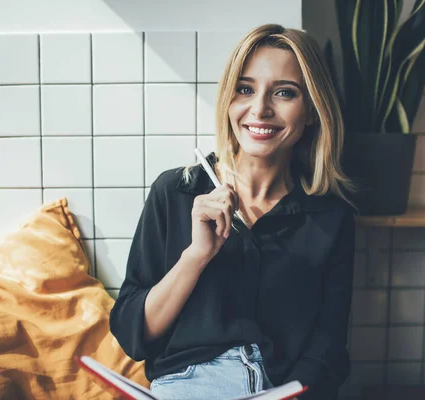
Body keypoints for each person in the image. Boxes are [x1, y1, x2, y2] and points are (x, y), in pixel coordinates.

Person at [109, 23, 357, 400]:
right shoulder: (175, 192)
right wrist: (196, 257)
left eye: (285, 93)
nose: (260, 109)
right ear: (228, 100)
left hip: (281, 391)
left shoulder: (330, 217)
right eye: (245, 89)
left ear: (311, 111)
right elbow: (133, 337)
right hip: (186, 387)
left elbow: (329, 350)